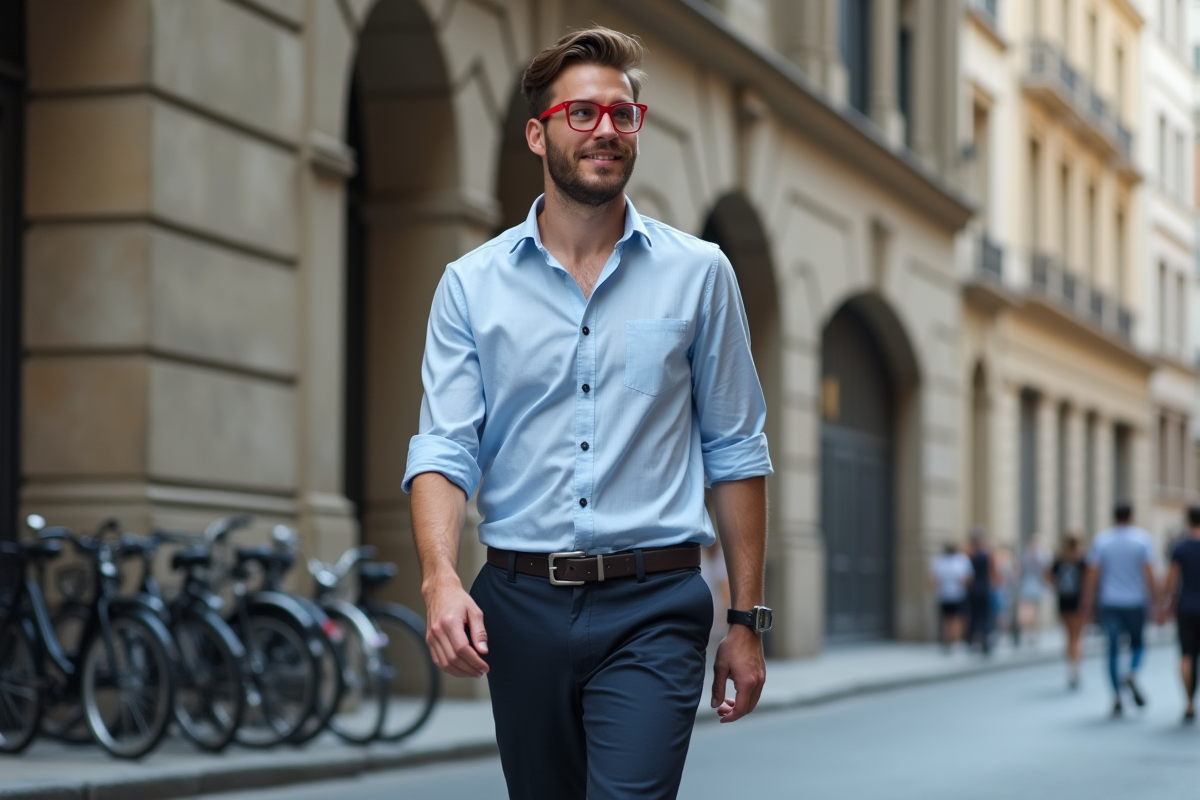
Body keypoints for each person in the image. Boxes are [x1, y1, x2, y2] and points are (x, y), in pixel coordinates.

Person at [403, 27, 773, 800]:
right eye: (582, 113)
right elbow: (445, 446)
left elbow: (736, 447)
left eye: (621, 114)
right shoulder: (471, 285)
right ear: (538, 134)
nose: (606, 129)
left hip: (655, 603)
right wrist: (440, 580)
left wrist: (746, 620)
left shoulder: (699, 273)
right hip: (520, 603)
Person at [1082, 503, 1158, 717]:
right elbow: (1149, 572)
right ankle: (1132, 672)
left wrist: (1087, 601)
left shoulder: (1102, 540)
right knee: (1138, 644)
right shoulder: (1142, 540)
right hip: (1135, 601)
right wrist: (1156, 600)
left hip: (1110, 602)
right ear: (1131, 516)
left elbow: (1092, 574)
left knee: (1113, 649)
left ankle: (1116, 696)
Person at [1159, 506, 1200, 722]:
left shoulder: (1180, 547)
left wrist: (1163, 604)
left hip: (1186, 607)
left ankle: (1189, 702)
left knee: (1187, 655)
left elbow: (1171, 580)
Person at [1049, 534, 1087, 688]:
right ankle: (1075, 668)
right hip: (1078, 601)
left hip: (1063, 600)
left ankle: (1071, 666)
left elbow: (1049, 576)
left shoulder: (1060, 560)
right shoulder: (1081, 560)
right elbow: (1088, 580)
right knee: (1077, 637)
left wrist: (1057, 587)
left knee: (1069, 636)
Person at [929, 543, 972, 651]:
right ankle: (953, 641)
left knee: (948, 620)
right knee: (956, 619)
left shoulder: (939, 561)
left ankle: (949, 641)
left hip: (945, 595)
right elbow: (968, 579)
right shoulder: (961, 560)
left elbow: (933, 579)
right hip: (956, 594)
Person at [966, 527, 998, 654]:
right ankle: (983, 639)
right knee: (983, 615)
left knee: (975, 615)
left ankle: (974, 640)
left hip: (974, 589)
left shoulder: (969, 554)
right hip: (983, 588)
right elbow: (993, 571)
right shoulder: (986, 554)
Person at [1015, 535, 1050, 645]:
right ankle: (1028, 630)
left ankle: (1032, 631)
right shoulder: (1027, 554)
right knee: (1029, 609)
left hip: (1035, 583)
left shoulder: (1042, 554)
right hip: (1029, 583)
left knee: (1034, 609)